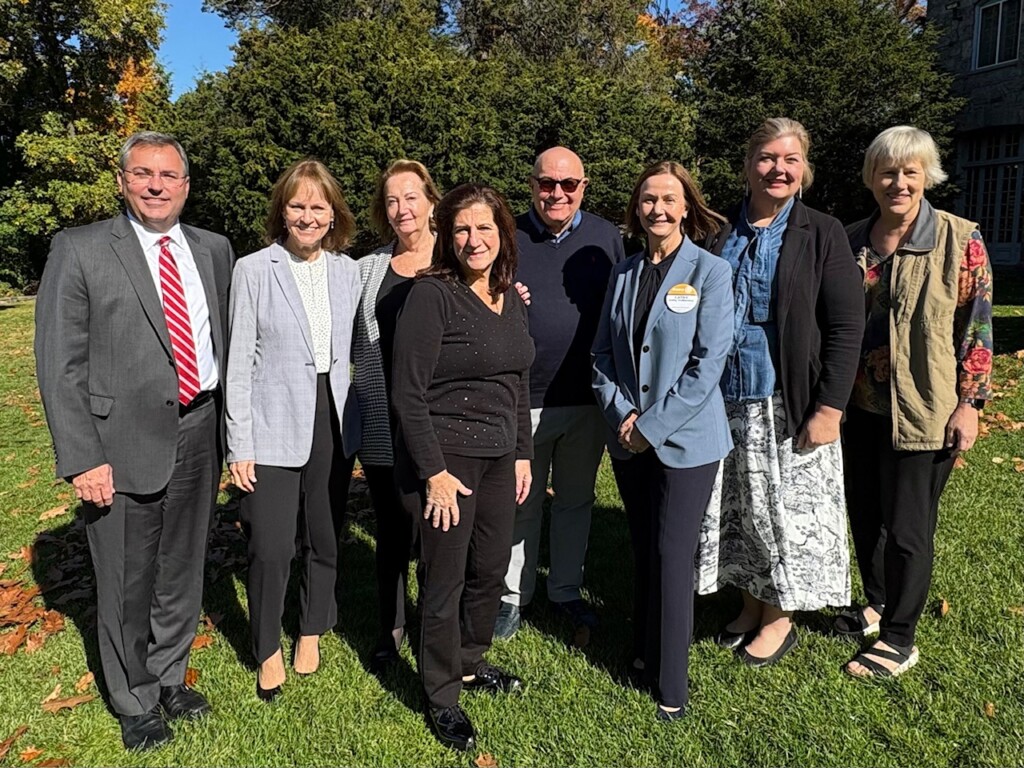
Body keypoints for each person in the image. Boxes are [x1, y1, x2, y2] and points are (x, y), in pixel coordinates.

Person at [34, 131, 233, 750]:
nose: (155, 185)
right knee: (125, 574)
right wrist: (82, 456)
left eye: (168, 176)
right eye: (143, 173)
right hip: (117, 444)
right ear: (122, 181)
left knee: (182, 564)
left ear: (185, 186)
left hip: (201, 427)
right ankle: (133, 695)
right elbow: (58, 363)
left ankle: (169, 673)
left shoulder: (213, 249)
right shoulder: (82, 248)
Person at [695, 118, 865, 666]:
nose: (778, 169)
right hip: (725, 397)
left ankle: (780, 618)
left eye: (790, 160)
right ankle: (749, 602)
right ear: (748, 166)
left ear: (804, 170)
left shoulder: (823, 231)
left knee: (784, 513)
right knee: (740, 508)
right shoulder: (722, 233)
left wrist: (830, 406)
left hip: (787, 398)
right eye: (767, 158)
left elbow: (845, 327)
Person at [839, 126, 993, 678]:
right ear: (871, 179)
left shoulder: (959, 238)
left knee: (908, 527)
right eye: (887, 172)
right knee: (865, 514)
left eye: (910, 172)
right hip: (858, 406)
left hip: (926, 406)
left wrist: (969, 403)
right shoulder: (853, 238)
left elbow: (976, 327)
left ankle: (900, 638)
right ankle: (877, 604)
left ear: (927, 176)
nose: (898, 183)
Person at [391, 183, 534, 752]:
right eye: (462, 230)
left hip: (502, 457)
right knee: (445, 578)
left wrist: (523, 450)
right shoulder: (432, 296)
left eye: (485, 228)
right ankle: (441, 693)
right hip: (448, 460)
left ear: (502, 234)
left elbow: (517, 381)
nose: (474, 240)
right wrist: (433, 471)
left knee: (490, 568)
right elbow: (407, 393)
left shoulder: (510, 295)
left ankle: (471, 662)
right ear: (448, 238)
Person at [592, 161, 734, 721]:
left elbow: (707, 365)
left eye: (669, 199)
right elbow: (602, 354)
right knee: (644, 547)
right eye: (648, 199)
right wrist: (625, 416)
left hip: (686, 443)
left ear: (687, 208)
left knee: (673, 555)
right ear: (636, 209)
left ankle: (671, 686)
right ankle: (642, 653)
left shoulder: (710, 273)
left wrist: (651, 427)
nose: (658, 209)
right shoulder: (623, 273)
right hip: (629, 439)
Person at [225, 159, 361, 702]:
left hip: (333, 420)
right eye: (298, 205)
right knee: (271, 545)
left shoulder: (348, 271)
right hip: (272, 424)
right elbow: (239, 364)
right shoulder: (254, 269)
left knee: (325, 536)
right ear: (283, 210)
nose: (308, 216)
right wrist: (240, 443)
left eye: (318, 207)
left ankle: (310, 628)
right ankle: (265, 646)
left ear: (334, 215)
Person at [495, 146, 625, 643]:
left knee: (575, 500)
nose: (557, 193)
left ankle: (565, 590)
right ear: (532, 185)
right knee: (520, 502)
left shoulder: (604, 237)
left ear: (583, 187)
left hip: (585, 399)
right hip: (522, 396)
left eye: (568, 184)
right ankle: (512, 597)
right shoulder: (507, 236)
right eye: (547, 183)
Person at [353, 159, 442, 671]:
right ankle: (390, 626)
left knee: (436, 529)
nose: (402, 208)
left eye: (411, 196)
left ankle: (433, 622)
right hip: (385, 424)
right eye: (391, 200)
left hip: (440, 424)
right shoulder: (368, 269)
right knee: (391, 530)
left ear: (431, 201)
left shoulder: (457, 260)